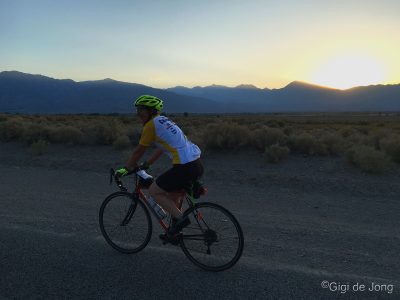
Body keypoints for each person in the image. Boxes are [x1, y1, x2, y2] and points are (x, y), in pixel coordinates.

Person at [115, 95, 203, 237]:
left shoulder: (150, 126)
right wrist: (148, 164)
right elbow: (162, 147)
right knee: (174, 196)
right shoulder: (165, 121)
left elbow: (138, 151)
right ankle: (175, 232)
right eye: (137, 110)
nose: (138, 113)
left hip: (184, 167)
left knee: (154, 191)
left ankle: (181, 220)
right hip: (196, 164)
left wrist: (126, 169)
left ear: (150, 110)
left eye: (141, 110)